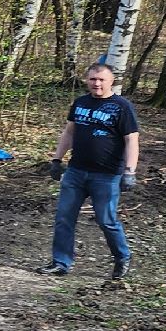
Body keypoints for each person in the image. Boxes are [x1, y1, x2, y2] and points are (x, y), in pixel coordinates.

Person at [41, 62, 140, 281]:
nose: (96, 83)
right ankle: (60, 262)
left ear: (111, 81)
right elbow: (69, 133)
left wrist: (130, 171)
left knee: (106, 220)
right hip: (76, 171)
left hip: (106, 175)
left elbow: (131, 140)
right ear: (87, 80)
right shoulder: (80, 103)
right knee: (64, 217)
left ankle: (122, 257)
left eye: (101, 79)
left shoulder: (121, 107)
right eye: (92, 79)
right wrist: (57, 159)